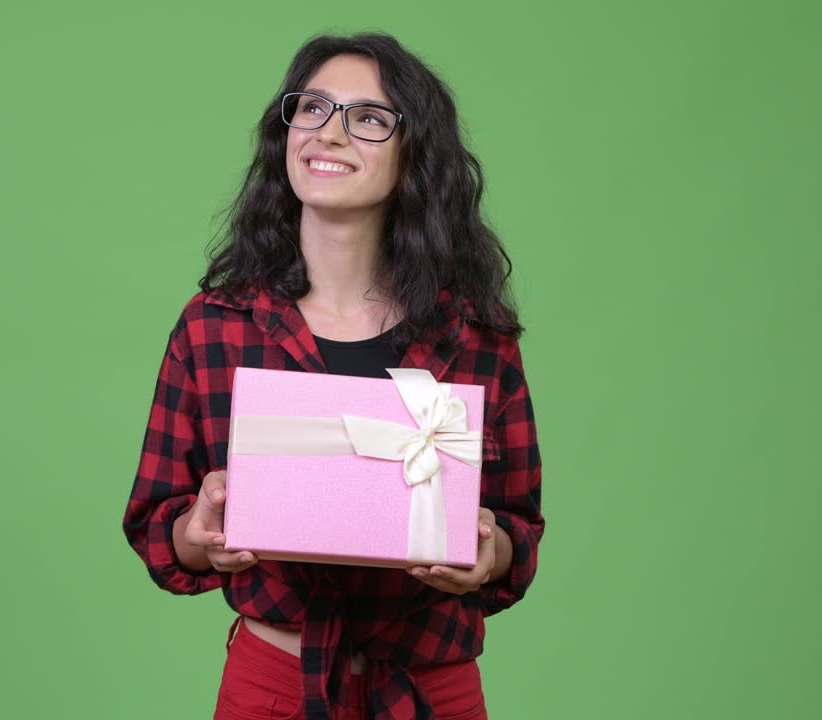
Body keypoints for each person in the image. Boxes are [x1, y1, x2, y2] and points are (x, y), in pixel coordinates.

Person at [122, 32, 544, 720]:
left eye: (369, 118)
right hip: (273, 685)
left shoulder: (477, 337)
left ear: (415, 157)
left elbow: (519, 530)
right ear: (283, 134)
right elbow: (156, 528)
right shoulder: (213, 326)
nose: (330, 133)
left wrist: (490, 552)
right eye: (312, 108)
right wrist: (195, 533)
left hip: (430, 688)